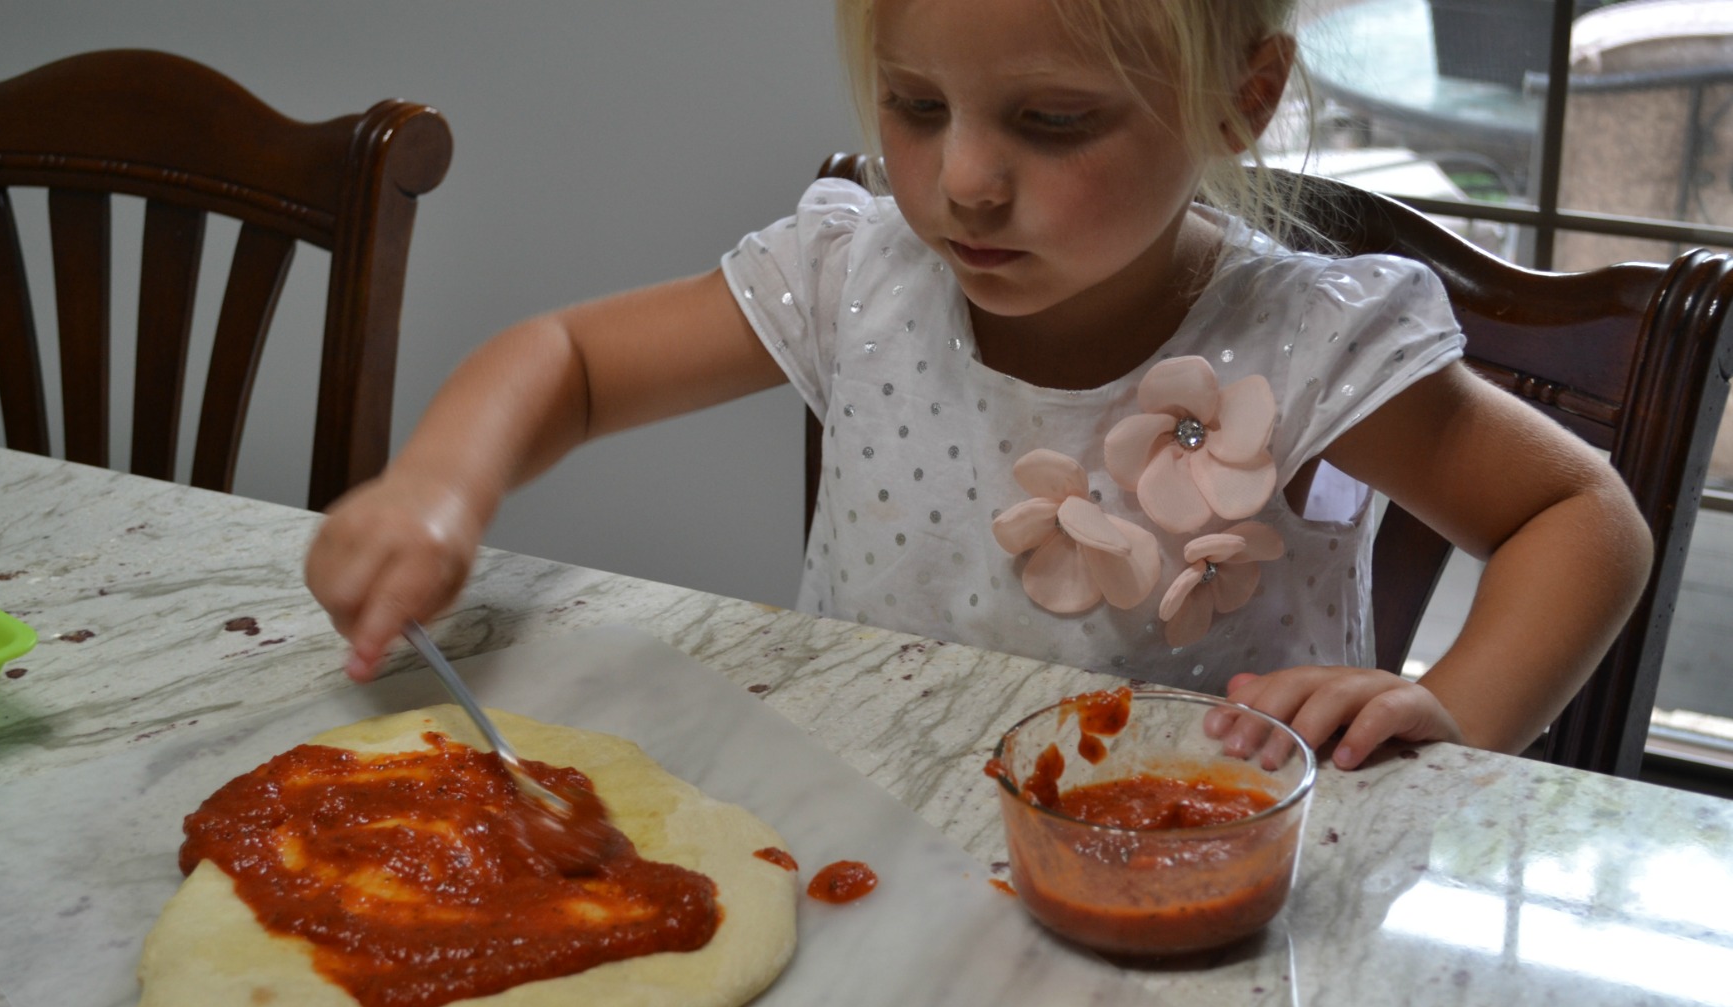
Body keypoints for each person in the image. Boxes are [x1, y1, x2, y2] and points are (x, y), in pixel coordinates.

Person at [305, 0, 1652, 772]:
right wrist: (436, 486)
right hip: (862, 844)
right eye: (914, 106)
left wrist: (1453, 711)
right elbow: (574, 364)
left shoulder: (1303, 340)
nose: (962, 183)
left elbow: (1580, 521)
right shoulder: (856, 274)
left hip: (1181, 898)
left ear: (1241, 98)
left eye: (1050, 122)